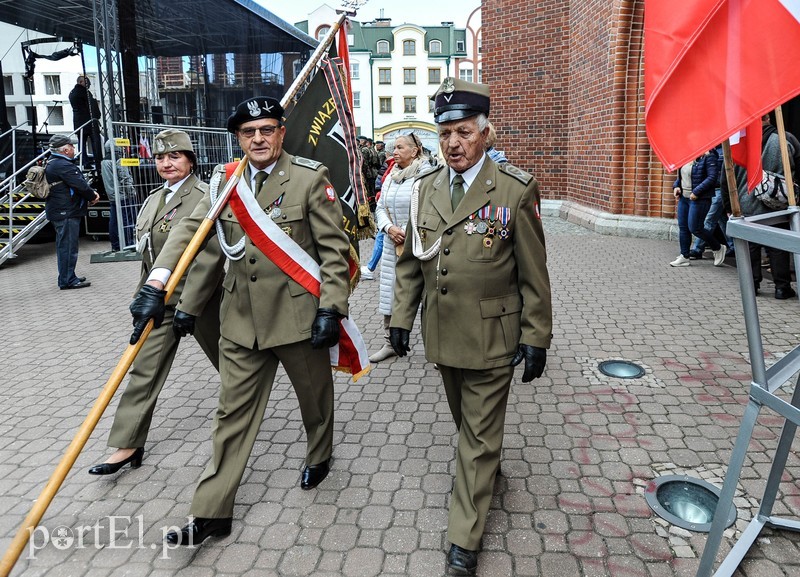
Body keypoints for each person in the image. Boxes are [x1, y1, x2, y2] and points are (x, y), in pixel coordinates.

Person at [127, 97, 352, 546]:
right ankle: (212, 511)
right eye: (249, 132)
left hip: (296, 317)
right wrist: (156, 285)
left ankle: (320, 452)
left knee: (314, 399)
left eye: (267, 130)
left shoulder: (309, 179)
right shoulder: (224, 183)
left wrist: (332, 307)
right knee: (230, 415)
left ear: (281, 133)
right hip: (240, 320)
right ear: (238, 138)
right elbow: (187, 233)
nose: (258, 139)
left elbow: (335, 252)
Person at [389, 78, 552, 576]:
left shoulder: (513, 189)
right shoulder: (425, 189)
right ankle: (483, 467)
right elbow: (412, 260)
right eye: (445, 135)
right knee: (468, 426)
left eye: (463, 132)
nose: (453, 144)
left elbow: (533, 270)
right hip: (442, 334)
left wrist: (536, 335)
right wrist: (400, 318)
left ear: (485, 133)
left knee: (478, 437)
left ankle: (464, 538)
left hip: (491, 337)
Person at [88, 129, 223, 476]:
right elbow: (150, 258)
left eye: (175, 156)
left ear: (190, 160)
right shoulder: (152, 200)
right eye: (161, 158)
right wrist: (143, 295)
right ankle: (128, 444)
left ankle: (244, 414)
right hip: (161, 303)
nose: (167, 163)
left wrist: (189, 307)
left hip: (203, 300)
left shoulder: (207, 196)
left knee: (233, 363)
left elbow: (209, 258)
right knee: (143, 370)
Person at [722, 113, 799, 299]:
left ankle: (752, 284)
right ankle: (782, 288)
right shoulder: (784, 140)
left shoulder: (738, 144)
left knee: (750, 247)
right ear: (769, 119)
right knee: (778, 246)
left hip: (745, 203)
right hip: (777, 205)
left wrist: (728, 205)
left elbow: (725, 177)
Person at [369, 134, 431, 363]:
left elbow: (429, 210)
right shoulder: (391, 177)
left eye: (399, 147)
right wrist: (388, 228)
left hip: (418, 244)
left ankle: (434, 348)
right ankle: (390, 342)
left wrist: (406, 231)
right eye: (392, 148)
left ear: (414, 151)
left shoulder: (426, 176)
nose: (393, 151)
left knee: (426, 295)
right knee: (390, 292)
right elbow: (380, 207)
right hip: (391, 243)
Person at [44, 134, 99, 290]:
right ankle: (68, 280)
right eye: (72, 146)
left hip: (61, 210)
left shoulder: (53, 162)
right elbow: (80, 185)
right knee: (68, 247)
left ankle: (69, 276)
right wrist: (93, 195)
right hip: (66, 211)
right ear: (66, 149)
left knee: (66, 246)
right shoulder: (63, 165)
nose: (74, 149)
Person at [669, 147, 727, 267]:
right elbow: (680, 176)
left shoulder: (709, 155)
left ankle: (718, 247)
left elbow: (712, 177)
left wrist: (696, 192)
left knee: (695, 228)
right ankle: (684, 256)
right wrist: (676, 186)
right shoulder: (685, 154)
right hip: (684, 198)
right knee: (683, 227)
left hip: (699, 198)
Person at [101, 139, 137, 251]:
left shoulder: (104, 162)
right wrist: (132, 193)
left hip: (112, 196)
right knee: (127, 221)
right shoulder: (118, 160)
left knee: (114, 221)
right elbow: (125, 179)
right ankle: (128, 244)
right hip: (123, 196)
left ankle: (115, 246)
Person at [68, 75, 103, 169]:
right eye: (87, 83)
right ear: (81, 82)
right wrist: (97, 114)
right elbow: (91, 107)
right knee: (95, 142)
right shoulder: (85, 93)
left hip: (78, 123)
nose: (89, 85)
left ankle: (85, 162)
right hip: (89, 122)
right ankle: (98, 162)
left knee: (82, 143)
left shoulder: (72, 93)